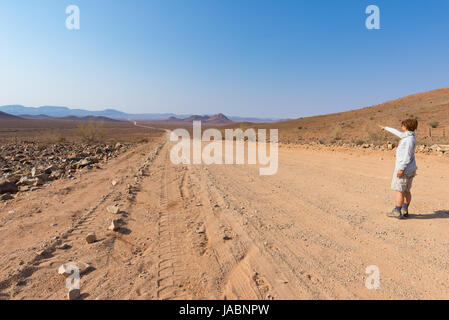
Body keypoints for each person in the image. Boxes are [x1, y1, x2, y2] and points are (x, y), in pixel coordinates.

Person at [379, 119, 418, 219]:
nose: (402, 127)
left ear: (406, 126)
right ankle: (405, 210)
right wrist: (386, 128)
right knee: (407, 191)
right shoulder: (409, 136)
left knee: (399, 191)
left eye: (403, 125)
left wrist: (401, 169)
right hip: (410, 169)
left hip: (404, 169)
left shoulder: (408, 140)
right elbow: (398, 133)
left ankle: (397, 211)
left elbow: (407, 156)